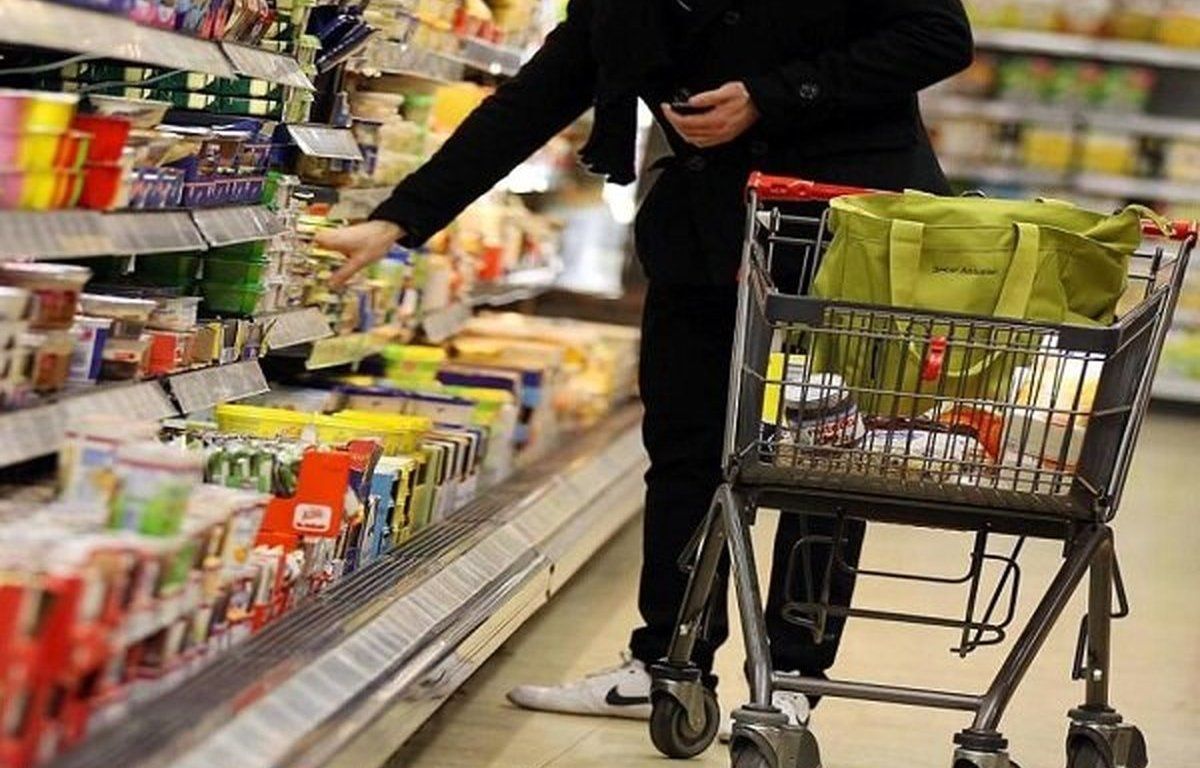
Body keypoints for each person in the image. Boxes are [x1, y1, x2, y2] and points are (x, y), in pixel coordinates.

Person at [317, 0, 974, 731]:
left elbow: (938, 36)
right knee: (685, 448)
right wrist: (400, 218)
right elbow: (539, 95)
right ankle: (666, 663)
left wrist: (770, 96)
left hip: (842, 229)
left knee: (823, 461)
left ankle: (793, 677)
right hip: (707, 226)